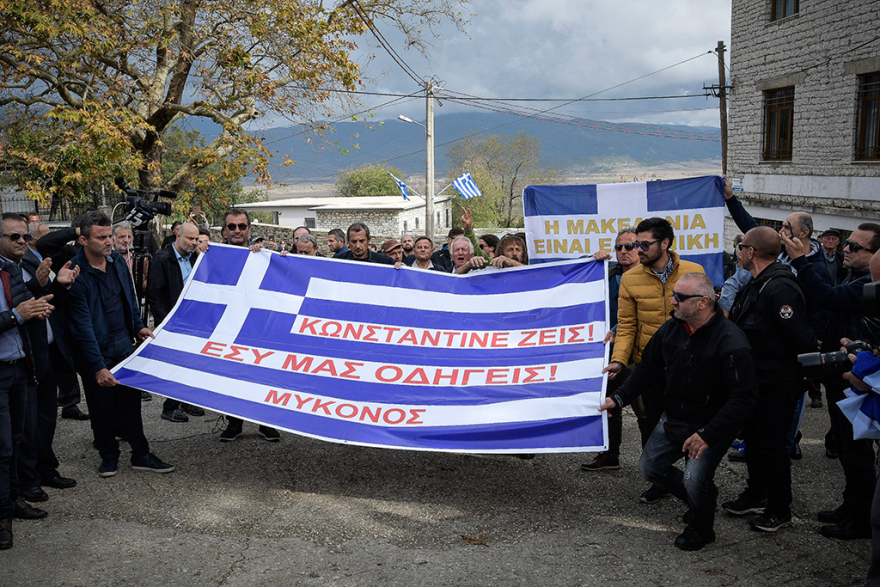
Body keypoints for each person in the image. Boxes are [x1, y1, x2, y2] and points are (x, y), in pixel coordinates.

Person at [599, 273, 759, 551]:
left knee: (694, 478)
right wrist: (619, 399)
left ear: (703, 303)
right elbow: (647, 368)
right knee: (650, 468)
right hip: (674, 417)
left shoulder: (732, 341)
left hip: (711, 424)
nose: (672, 301)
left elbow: (744, 397)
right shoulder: (671, 329)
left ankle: (701, 527)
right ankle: (701, 499)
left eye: (680, 297)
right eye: (674, 294)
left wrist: (708, 434)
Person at [782, 222, 880, 540]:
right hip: (843, 375)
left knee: (855, 452)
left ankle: (860, 519)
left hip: (858, 380)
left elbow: (827, 296)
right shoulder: (855, 275)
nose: (846, 249)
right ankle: (851, 506)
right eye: (847, 243)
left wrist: (799, 260)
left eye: (855, 247)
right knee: (845, 446)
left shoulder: (867, 282)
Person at [64, 211, 175, 477]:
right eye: (100, 237)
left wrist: (138, 327)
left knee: (131, 405)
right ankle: (108, 455)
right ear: (83, 240)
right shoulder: (76, 274)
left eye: (108, 236)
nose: (108, 242)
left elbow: (130, 298)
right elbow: (83, 328)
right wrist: (98, 367)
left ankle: (141, 454)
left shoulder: (115, 262)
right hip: (96, 353)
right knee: (101, 408)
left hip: (124, 347)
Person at [604, 217, 706, 505]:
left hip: (688, 368)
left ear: (665, 243)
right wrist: (620, 361)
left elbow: (707, 318)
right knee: (650, 425)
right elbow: (626, 325)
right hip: (650, 368)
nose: (638, 249)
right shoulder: (630, 278)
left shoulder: (693, 272)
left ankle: (694, 487)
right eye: (636, 244)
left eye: (644, 244)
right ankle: (660, 480)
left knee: (688, 428)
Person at [721, 227, 817, 532]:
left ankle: (779, 508)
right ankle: (757, 493)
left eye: (741, 248)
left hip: (777, 383)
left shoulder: (780, 288)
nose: (738, 253)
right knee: (754, 442)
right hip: (755, 381)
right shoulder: (756, 283)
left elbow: (800, 339)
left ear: (751, 252)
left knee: (772, 447)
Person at [218, 209, 281, 443]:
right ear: (224, 230)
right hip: (229, 326)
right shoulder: (213, 255)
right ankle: (234, 423)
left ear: (249, 229)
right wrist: (201, 251)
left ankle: (266, 423)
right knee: (232, 375)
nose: (237, 231)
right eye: (232, 226)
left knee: (262, 373)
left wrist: (276, 256)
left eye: (241, 226)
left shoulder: (263, 255)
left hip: (259, 326)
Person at [582, 229, 639, 471]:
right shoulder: (609, 272)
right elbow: (576, 280)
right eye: (619, 248)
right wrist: (590, 261)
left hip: (638, 353)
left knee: (645, 412)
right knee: (608, 402)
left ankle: (657, 469)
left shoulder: (648, 277)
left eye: (630, 247)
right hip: (610, 351)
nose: (623, 252)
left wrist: (617, 329)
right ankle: (610, 454)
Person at [147, 222, 205, 423]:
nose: (193, 242)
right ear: (177, 236)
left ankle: (186, 401)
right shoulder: (162, 259)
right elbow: (154, 295)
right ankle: (170, 406)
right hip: (173, 322)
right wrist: (165, 323)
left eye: (196, 239)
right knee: (177, 364)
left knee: (191, 362)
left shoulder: (195, 256)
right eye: (190, 238)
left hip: (194, 321)